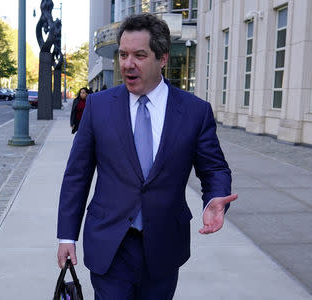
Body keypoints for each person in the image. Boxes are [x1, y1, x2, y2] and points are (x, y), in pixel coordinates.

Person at [57, 13, 238, 299]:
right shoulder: (98, 106)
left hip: (165, 245)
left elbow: (214, 169)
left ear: (163, 58)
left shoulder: (194, 111)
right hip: (109, 244)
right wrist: (67, 235)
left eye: (140, 55)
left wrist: (214, 199)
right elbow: (77, 175)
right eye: (124, 54)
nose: (128, 64)